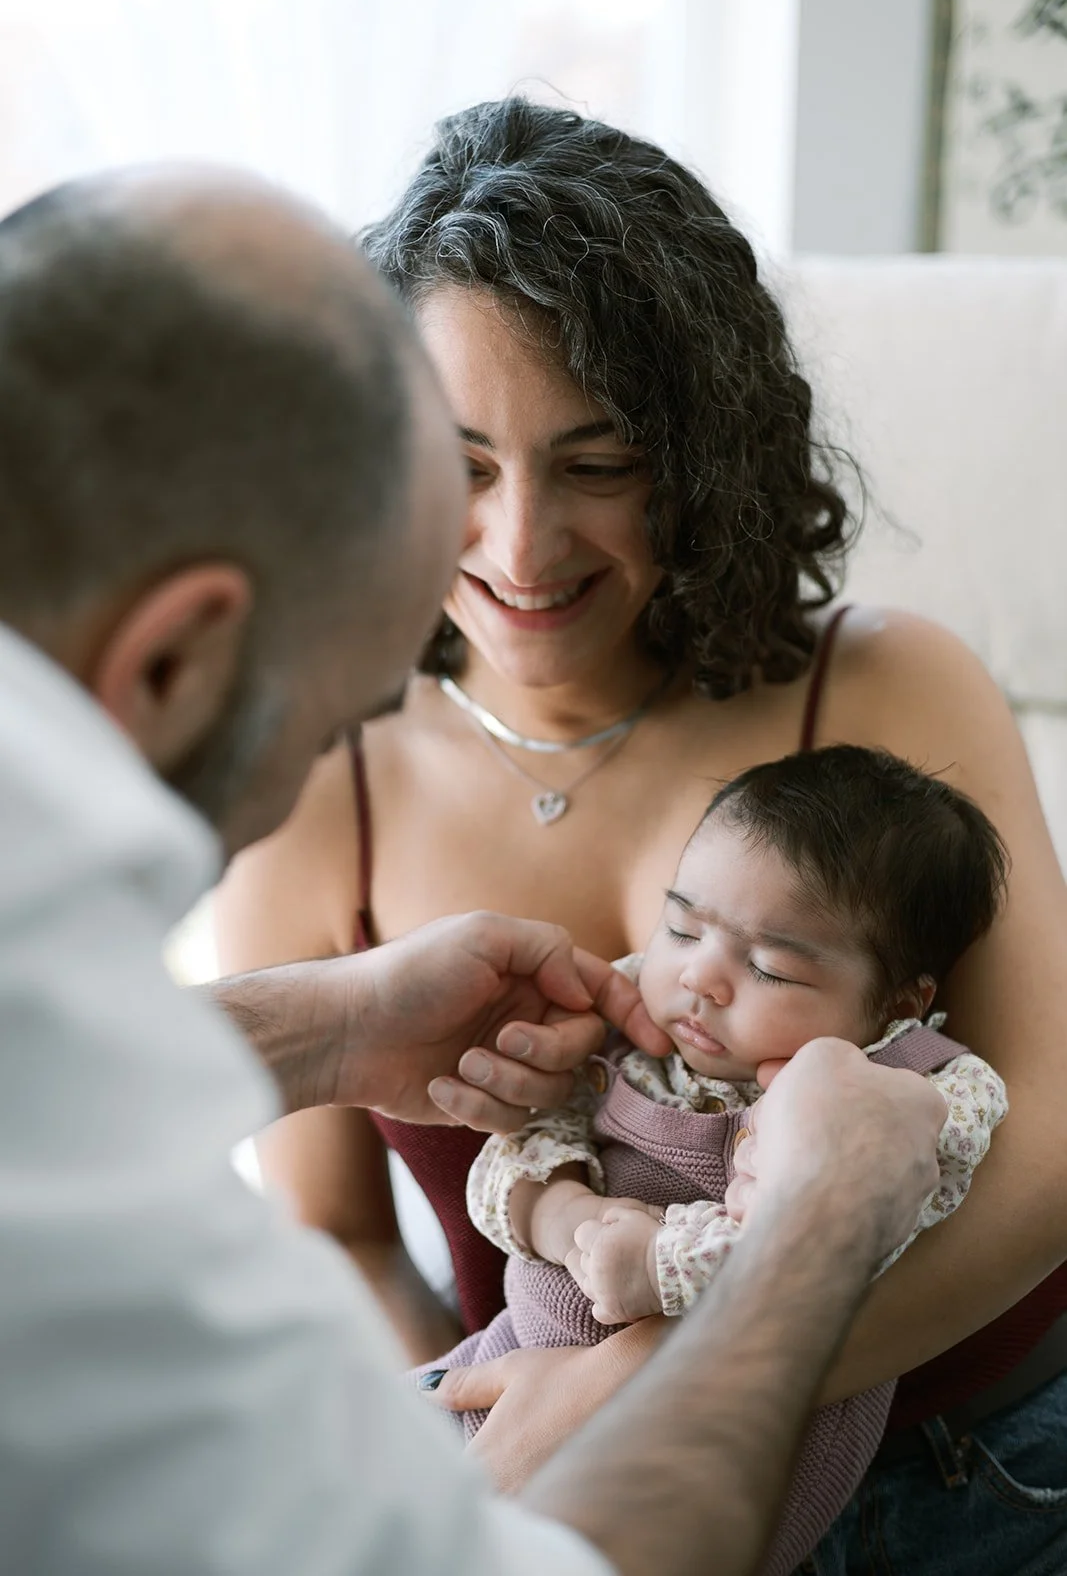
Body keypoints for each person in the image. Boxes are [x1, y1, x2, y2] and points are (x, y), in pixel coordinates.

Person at [0, 166, 949, 1576]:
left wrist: (316, 1027)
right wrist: (801, 1242)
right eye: (339, 706)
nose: (508, 551)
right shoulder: (126, 1261)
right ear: (171, 659)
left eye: (596, 458)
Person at [215, 98, 1067, 1570]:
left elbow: (1045, 1156)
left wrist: (655, 1382)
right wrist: (488, 1438)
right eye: (464, 466)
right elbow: (331, 1233)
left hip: (980, 1461)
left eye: (597, 463)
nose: (520, 549)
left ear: (703, 454)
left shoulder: (883, 688)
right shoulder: (313, 777)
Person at [429, 745, 1010, 1574]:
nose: (699, 977)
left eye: (769, 966)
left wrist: (659, 1266)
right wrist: (568, 1217)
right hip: (513, 1349)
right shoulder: (635, 1017)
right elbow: (518, 1146)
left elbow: (845, 1234)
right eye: (680, 926)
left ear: (896, 1001)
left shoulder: (916, 1088)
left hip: (724, 1427)